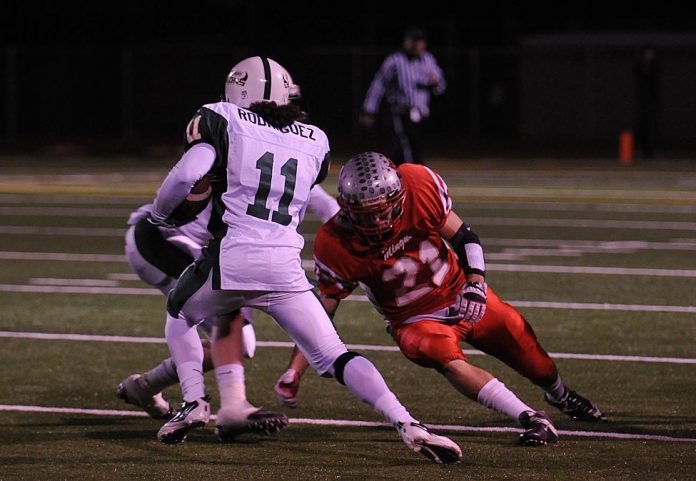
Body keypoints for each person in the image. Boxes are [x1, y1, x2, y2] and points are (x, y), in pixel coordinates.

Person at [148, 56, 463, 464]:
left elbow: (187, 171)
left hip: (234, 258)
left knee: (178, 311)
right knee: (336, 355)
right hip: (285, 266)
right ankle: (408, 423)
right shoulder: (313, 138)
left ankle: (194, 401)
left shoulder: (222, 119)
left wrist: (162, 213)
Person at [274, 151, 608, 447]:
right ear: (348, 211)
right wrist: (296, 370)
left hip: (460, 293)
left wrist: (476, 280)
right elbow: (320, 315)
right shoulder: (335, 243)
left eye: (382, 212)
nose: (376, 222)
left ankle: (560, 395)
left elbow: (464, 236)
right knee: (441, 355)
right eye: (365, 216)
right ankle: (530, 417)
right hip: (414, 321)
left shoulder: (418, 185)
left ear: (398, 197)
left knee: (528, 349)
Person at [116, 183, 339, 421]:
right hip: (164, 243)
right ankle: (229, 409)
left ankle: (145, 387)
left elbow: (329, 208)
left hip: (218, 252)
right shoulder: (240, 157)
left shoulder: (287, 161)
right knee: (233, 330)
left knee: (239, 340)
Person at [359, 27, 446, 166]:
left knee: (415, 147)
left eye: (420, 42)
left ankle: (408, 175)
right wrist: (369, 109)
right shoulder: (395, 60)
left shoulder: (428, 59)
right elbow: (378, 84)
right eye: (414, 41)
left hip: (421, 113)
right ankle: (408, 177)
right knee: (403, 146)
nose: (417, 45)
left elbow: (440, 85)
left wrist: (434, 83)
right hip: (399, 111)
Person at [633, 45, 662, 159]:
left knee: (653, 127)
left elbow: (658, 72)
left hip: (652, 101)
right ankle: (640, 150)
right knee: (641, 126)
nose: (649, 56)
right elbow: (636, 72)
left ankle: (651, 151)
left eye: (651, 54)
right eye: (647, 53)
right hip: (641, 101)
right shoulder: (639, 66)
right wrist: (643, 64)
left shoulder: (655, 66)